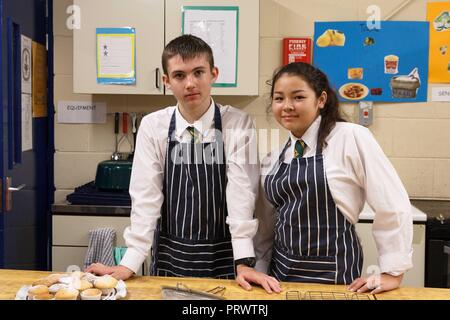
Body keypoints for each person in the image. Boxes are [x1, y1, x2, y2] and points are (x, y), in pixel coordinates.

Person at [86, 34, 281, 294]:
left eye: (198, 72)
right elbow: (146, 196)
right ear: (166, 81)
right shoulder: (153, 126)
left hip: (224, 255)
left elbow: (242, 193)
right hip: (170, 254)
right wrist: (130, 262)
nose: (190, 83)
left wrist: (244, 260)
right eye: (179, 75)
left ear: (213, 74)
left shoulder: (237, 123)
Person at [253, 62, 413, 294]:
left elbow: (393, 203)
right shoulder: (274, 158)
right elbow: (267, 227)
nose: (287, 106)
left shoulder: (350, 137)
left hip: (334, 273)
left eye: (298, 97)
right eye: (279, 99)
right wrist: (260, 267)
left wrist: (393, 272)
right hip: (281, 275)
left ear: (321, 99)